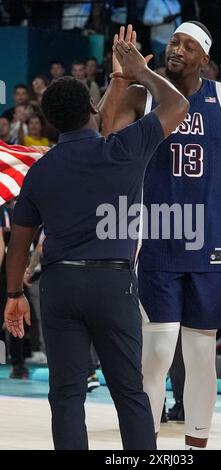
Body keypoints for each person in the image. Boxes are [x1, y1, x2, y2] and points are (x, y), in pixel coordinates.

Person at [102, 21, 221, 450]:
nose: (177, 49)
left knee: (201, 355)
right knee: (156, 352)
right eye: (174, 41)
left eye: (189, 46)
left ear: (204, 59)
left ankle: (196, 445)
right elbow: (105, 137)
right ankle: (145, 447)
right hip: (157, 239)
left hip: (210, 244)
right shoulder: (142, 93)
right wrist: (119, 77)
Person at [4, 28, 189, 450]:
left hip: (59, 286)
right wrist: (141, 71)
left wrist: (14, 293)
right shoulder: (121, 149)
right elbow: (177, 104)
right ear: (90, 107)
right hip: (112, 284)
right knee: (129, 392)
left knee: (66, 396)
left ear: (49, 122)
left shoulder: (42, 170)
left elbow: (20, 241)